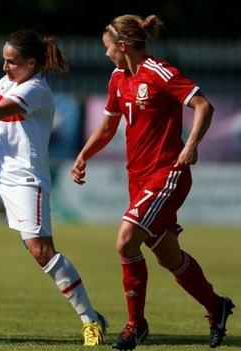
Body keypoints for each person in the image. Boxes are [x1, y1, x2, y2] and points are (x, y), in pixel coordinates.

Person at [0, 29, 107, 346]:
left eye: (11, 62)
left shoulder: (36, 89)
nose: (4, 67)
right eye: (3, 60)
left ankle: (91, 320)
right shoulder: (7, 82)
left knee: (42, 252)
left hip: (27, 183)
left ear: (31, 62)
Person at [71, 14, 234, 350]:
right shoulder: (117, 77)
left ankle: (136, 325)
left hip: (167, 174)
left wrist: (190, 146)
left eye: (107, 48)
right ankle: (216, 306)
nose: (105, 54)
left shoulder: (159, 72)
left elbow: (204, 106)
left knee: (125, 241)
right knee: (169, 257)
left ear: (123, 45)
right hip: (138, 177)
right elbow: (106, 129)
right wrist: (84, 155)